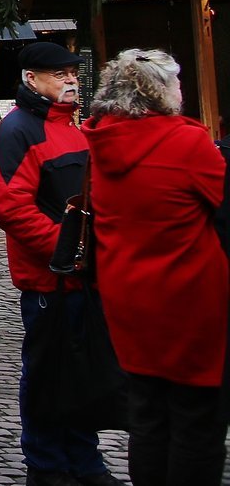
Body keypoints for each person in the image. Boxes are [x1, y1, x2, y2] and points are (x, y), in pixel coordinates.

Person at [85, 50, 228, 486]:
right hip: (188, 298)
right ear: (157, 90)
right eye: (176, 83)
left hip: (128, 296)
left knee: (148, 416)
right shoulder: (184, 141)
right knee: (196, 421)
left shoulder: (102, 141)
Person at [0, 41, 120, 486]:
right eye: (59, 74)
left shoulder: (75, 126)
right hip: (49, 280)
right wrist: (68, 251)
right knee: (47, 374)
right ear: (32, 79)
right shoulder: (18, 130)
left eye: (72, 73)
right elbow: (11, 207)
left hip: (83, 278)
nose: (70, 80)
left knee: (81, 372)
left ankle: (84, 461)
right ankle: (45, 466)